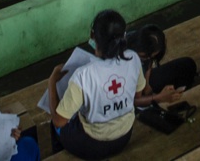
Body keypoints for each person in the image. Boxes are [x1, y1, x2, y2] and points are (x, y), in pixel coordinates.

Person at [48, 10, 144, 160]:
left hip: (92, 144)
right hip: (124, 136)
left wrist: (52, 81)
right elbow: (137, 96)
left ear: (93, 36)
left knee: (54, 121)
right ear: (124, 36)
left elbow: (59, 122)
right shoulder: (133, 58)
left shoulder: (83, 75)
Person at [126, 24, 197, 100]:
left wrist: (147, 83)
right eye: (144, 56)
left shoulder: (144, 47)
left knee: (187, 65)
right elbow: (136, 99)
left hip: (142, 83)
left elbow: (148, 64)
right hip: (127, 93)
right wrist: (158, 98)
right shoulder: (123, 52)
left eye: (151, 56)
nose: (147, 59)